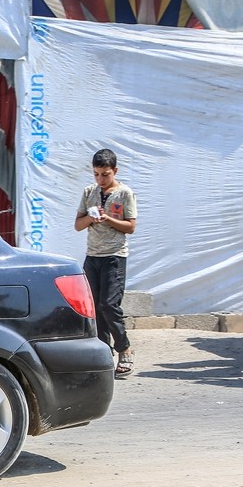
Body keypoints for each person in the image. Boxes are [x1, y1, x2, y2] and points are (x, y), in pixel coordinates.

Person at [74, 148, 138, 379]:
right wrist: (91, 218)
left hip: (114, 256)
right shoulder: (89, 192)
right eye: (97, 174)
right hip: (93, 256)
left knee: (109, 305)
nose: (101, 179)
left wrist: (108, 219)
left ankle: (124, 348)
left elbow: (131, 227)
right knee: (94, 308)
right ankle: (103, 354)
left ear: (115, 171)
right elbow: (78, 225)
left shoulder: (124, 193)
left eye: (105, 174)